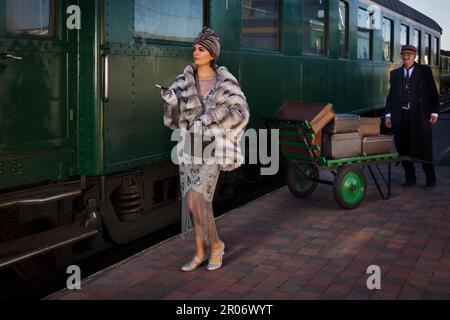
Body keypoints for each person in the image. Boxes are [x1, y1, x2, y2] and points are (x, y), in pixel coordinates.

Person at [160, 27, 250, 271]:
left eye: (200, 49)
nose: (195, 53)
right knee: (200, 204)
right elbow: (173, 122)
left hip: (214, 146)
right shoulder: (182, 81)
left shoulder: (226, 82)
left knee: (195, 201)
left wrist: (212, 115)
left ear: (212, 53)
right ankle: (200, 251)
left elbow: (241, 113)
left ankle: (217, 244)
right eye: (194, 49)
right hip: (190, 146)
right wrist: (171, 105)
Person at [385, 45, 440, 190]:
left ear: (415, 56)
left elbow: (433, 94)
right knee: (403, 149)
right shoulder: (395, 74)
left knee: (424, 149)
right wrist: (388, 114)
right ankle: (410, 178)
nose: (406, 57)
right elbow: (391, 96)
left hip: (420, 117)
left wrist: (434, 112)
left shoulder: (424, 71)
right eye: (403, 54)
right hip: (400, 116)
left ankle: (431, 179)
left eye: (409, 54)